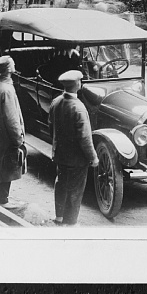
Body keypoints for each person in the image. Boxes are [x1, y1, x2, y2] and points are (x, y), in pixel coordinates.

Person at [48, 69, 99, 225]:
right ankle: (70, 222)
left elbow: (51, 127)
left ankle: (59, 217)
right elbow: (85, 138)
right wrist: (94, 158)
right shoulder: (79, 108)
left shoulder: (56, 102)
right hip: (77, 159)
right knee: (75, 191)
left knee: (61, 185)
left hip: (60, 155)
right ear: (78, 84)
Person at [0, 55, 26, 207]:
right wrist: (18, 139)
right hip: (7, 136)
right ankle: (2, 200)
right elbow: (12, 118)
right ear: (9, 69)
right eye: (13, 63)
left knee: (1, 166)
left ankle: (0, 197)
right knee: (7, 167)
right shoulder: (7, 89)